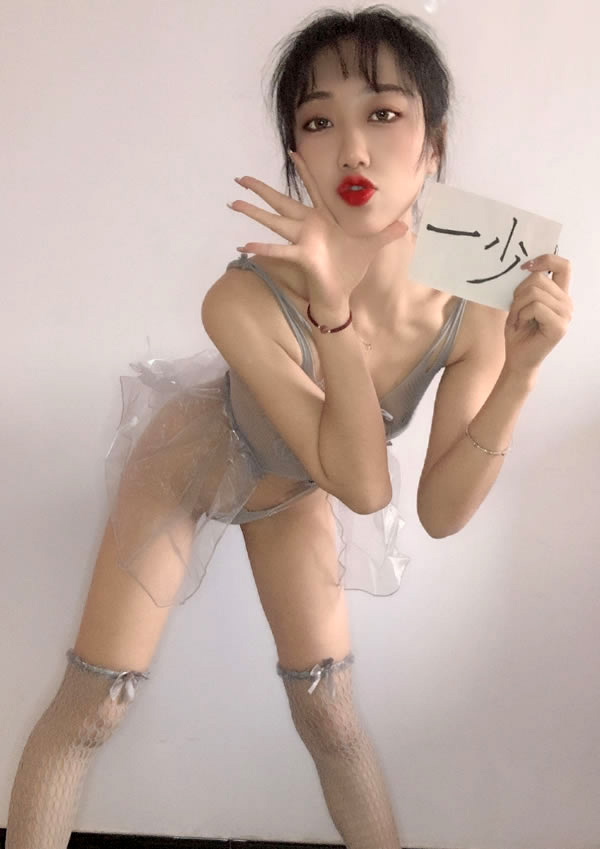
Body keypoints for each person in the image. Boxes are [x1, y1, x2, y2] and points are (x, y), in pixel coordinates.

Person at [5, 6, 572, 848]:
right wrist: (332, 310)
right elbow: (364, 486)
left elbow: (438, 509)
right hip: (195, 459)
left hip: (302, 479)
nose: (353, 150)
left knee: (331, 716)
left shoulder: (476, 289)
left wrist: (520, 374)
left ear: (435, 143)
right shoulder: (243, 294)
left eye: (384, 113)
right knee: (94, 707)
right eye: (318, 122)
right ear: (294, 153)